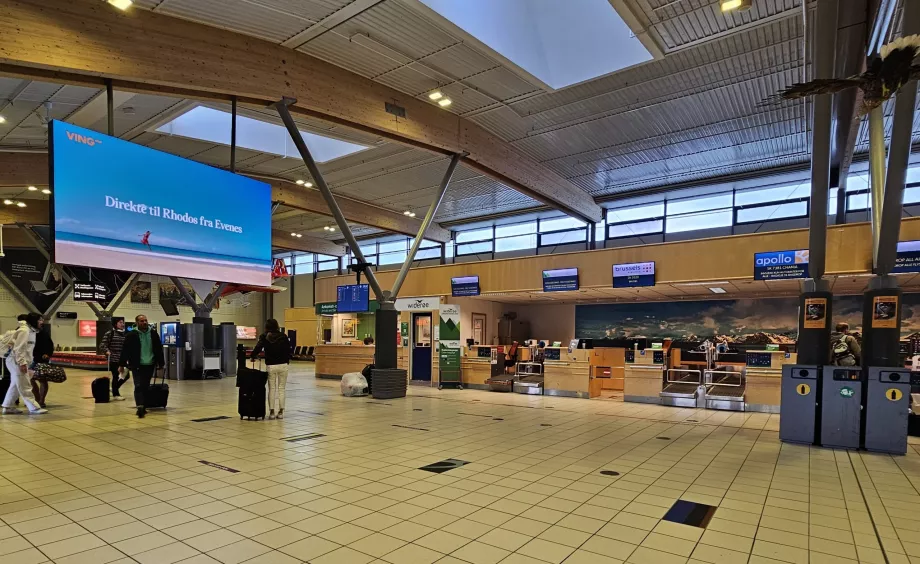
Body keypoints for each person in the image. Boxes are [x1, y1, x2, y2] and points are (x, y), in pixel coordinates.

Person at [1, 313, 48, 415]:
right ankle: (34, 407)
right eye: (40, 320)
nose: (42, 322)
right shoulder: (24, 330)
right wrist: (22, 363)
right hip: (16, 361)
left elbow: (27, 349)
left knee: (15, 384)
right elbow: (19, 348)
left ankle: (7, 406)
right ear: (34, 320)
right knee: (25, 385)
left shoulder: (32, 331)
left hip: (21, 361)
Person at [120, 315, 164, 418]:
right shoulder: (132, 335)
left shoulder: (153, 334)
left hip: (149, 364)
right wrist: (121, 364)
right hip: (137, 364)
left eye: (145, 320)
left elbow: (158, 349)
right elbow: (125, 350)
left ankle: (143, 404)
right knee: (138, 385)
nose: (144, 322)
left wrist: (161, 363)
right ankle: (140, 406)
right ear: (137, 323)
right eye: (141, 321)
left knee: (145, 386)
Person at [251, 319, 291, 420]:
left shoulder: (264, 336)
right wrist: (287, 360)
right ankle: (281, 412)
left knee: (272, 389)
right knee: (282, 388)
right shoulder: (283, 336)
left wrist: (253, 356)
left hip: (271, 365)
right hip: (283, 365)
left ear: (267, 326)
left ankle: (272, 412)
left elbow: (258, 347)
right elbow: (288, 349)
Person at [101, 318, 128, 401]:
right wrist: (107, 351)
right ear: (115, 324)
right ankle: (116, 394)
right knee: (116, 375)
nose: (122, 324)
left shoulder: (125, 334)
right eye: (120, 322)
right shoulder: (110, 333)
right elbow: (102, 345)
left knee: (126, 375)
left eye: (123, 322)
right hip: (113, 358)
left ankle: (114, 388)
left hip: (122, 359)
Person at [30, 321, 54, 407]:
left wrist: (48, 354)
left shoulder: (43, 333)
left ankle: (41, 400)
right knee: (31, 379)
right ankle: (37, 398)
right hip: (31, 358)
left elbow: (50, 345)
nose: (41, 322)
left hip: (41, 359)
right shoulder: (28, 332)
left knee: (41, 380)